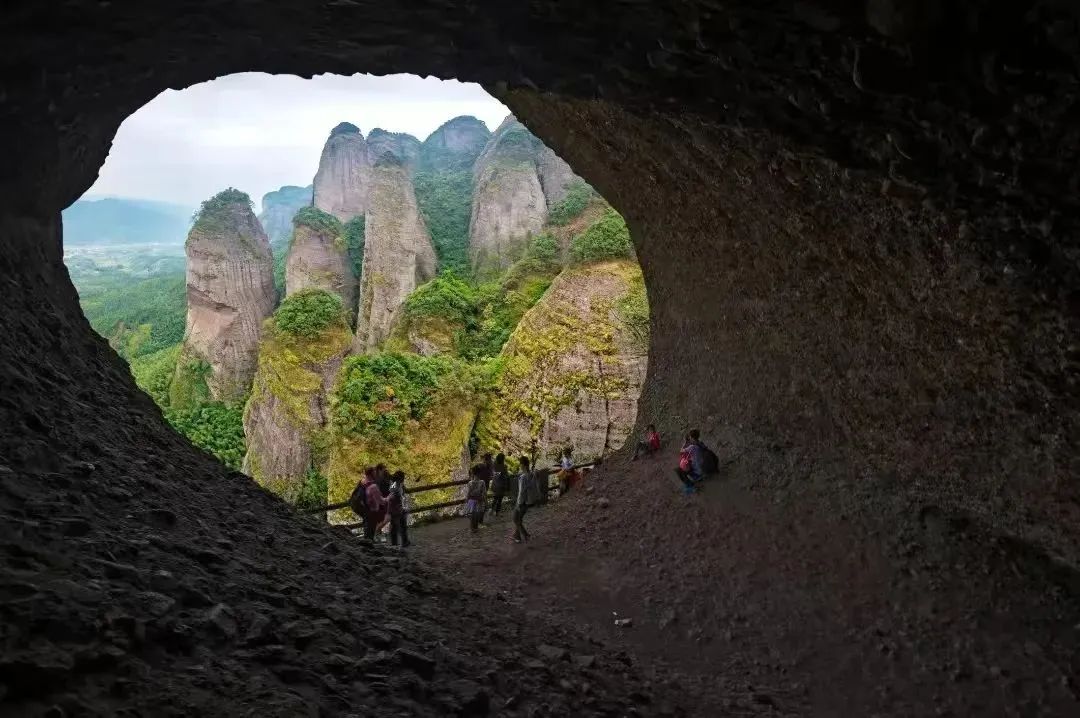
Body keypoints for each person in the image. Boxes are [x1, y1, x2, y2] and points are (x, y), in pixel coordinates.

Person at [513, 456, 539, 543]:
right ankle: (517, 536)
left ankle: (525, 535)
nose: (520, 466)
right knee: (518, 519)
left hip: (522, 501)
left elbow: (521, 491)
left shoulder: (523, 477)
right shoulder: (531, 474)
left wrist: (518, 503)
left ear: (523, 465)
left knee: (515, 519)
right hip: (528, 501)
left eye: (520, 464)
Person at [387, 470, 410, 548]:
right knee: (395, 526)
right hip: (396, 508)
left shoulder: (398, 483)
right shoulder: (394, 484)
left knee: (401, 525)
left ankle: (404, 541)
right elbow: (392, 495)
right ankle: (395, 543)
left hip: (399, 508)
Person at [364, 468, 388, 540]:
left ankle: (372, 539)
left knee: (369, 528)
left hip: (366, 508)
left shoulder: (364, 482)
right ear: (371, 474)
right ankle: (375, 536)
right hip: (373, 510)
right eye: (374, 473)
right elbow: (381, 501)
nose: (375, 474)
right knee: (388, 516)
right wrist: (388, 499)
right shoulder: (373, 486)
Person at [465, 465, 488, 533]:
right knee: (477, 515)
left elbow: (468, 493)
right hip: (479, 501)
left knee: (472, 515)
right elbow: (484, 494)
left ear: (473, 473)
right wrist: (485, 502)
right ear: (479, 473)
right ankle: (475, 528)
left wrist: (467, 500)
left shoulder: (470, 483)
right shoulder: (482, 482)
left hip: (471, 501)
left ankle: (472, 528)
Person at [476, 453, 494, 526]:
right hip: (480, 488)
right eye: (490, 459)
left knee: (482, 505)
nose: (491, 461)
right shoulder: (482, 466)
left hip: (483, 488)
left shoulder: (486, 467)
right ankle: (479, 521)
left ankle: (479, 521)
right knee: (481, 505)